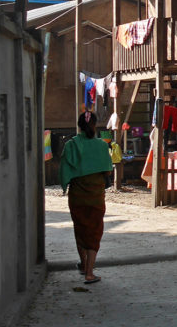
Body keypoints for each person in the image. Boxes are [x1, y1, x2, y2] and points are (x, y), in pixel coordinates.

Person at [60, 111, 113, 284]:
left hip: (77, 195)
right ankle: (90, 272)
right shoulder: (102, 146)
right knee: (94, 231)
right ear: (94, 125)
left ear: (79, 125)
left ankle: (83, 265)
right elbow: (107, 171)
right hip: (96, 196)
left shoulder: (71, 145)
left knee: (80, 228)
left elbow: (64, 172)